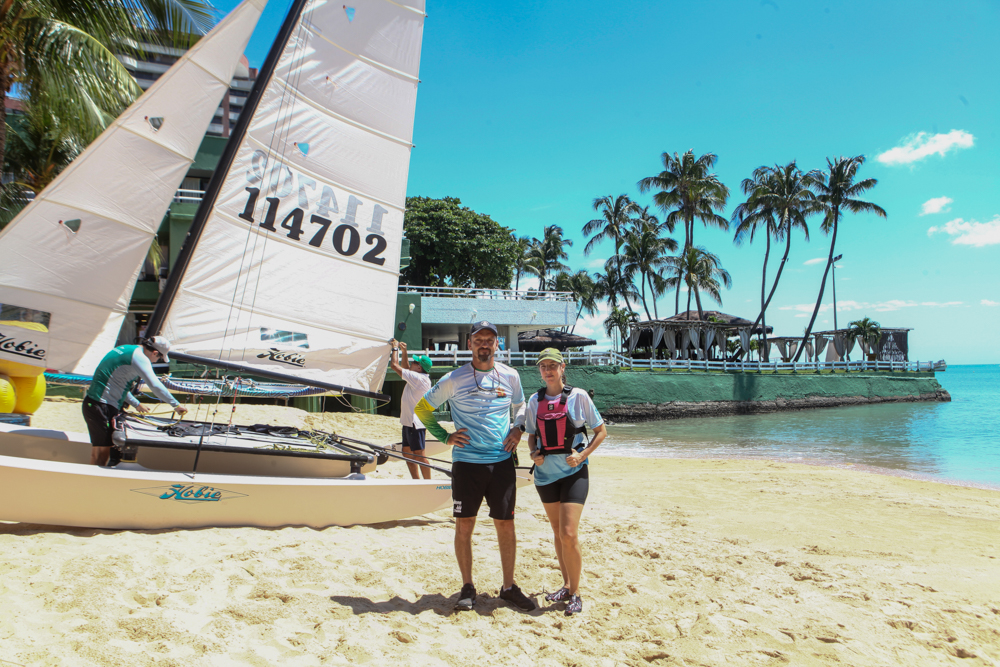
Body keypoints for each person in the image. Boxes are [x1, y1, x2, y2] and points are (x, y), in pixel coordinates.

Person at [414, 320, 535, 613]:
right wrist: (445, 436)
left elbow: (522, 406)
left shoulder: (510, 375)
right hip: (467, 464)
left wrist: (518, 428)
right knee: (464, 524)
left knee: (505, 524)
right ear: (469, 344)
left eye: (489, 339)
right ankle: (467, 586)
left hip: (502, 462)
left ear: (497, 345)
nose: (484, 344)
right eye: (478, 339)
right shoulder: (454, 379)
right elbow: (422, 408)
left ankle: (508, 587)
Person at [524, 348, 606, 616]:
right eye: (543, 366)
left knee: (569, 534)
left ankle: (576, 593)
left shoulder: (578, 396)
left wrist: (582, 454)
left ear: (562, 368)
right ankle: (566, 585)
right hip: (545, 476)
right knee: (558, 533)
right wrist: (533, 453)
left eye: (552, 366)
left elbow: (601, 431)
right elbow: (532, 435)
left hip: (574, 473)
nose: (547, 370)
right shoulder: (534, 400)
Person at [83, 336, 188, 466]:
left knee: (101, 450)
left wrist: (136, 404)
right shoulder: (140, 358)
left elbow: (116, 384)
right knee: (102, 453)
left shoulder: (127, 348)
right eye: (159, 358)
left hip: (93, 403)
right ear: (155, 353)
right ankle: (95, 482)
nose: (157, 361)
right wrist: (176, 405)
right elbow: (154, 385)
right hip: (102, 406)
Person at [389, 338, 433, 479]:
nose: (412, 363)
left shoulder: (418, 379)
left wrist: (394, 348)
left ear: (419, 368)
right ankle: (416, 481)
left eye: (415, 362)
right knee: (407, 453)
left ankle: (427, 483)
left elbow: (395, 365)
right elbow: (406, 367)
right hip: (409, 421)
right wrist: (404, 351)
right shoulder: (418, 376)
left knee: (419, 455)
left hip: (416, 422)